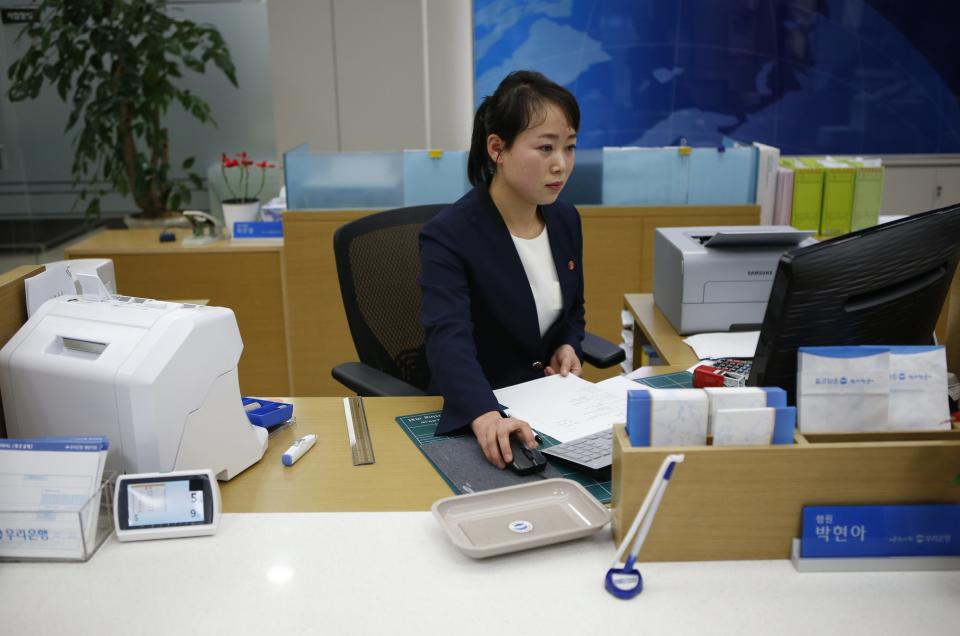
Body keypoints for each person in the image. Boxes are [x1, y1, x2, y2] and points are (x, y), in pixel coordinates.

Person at [419, 70, 585, 469]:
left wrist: (568, 346)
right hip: (478, 409)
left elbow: (572, 310)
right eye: (545, 148)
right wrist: (485, 413)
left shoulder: (565, 220)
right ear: (498, 148)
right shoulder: (448, 235)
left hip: (547, 408)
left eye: (570, 147)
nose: (561, 165)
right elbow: (448, 339)